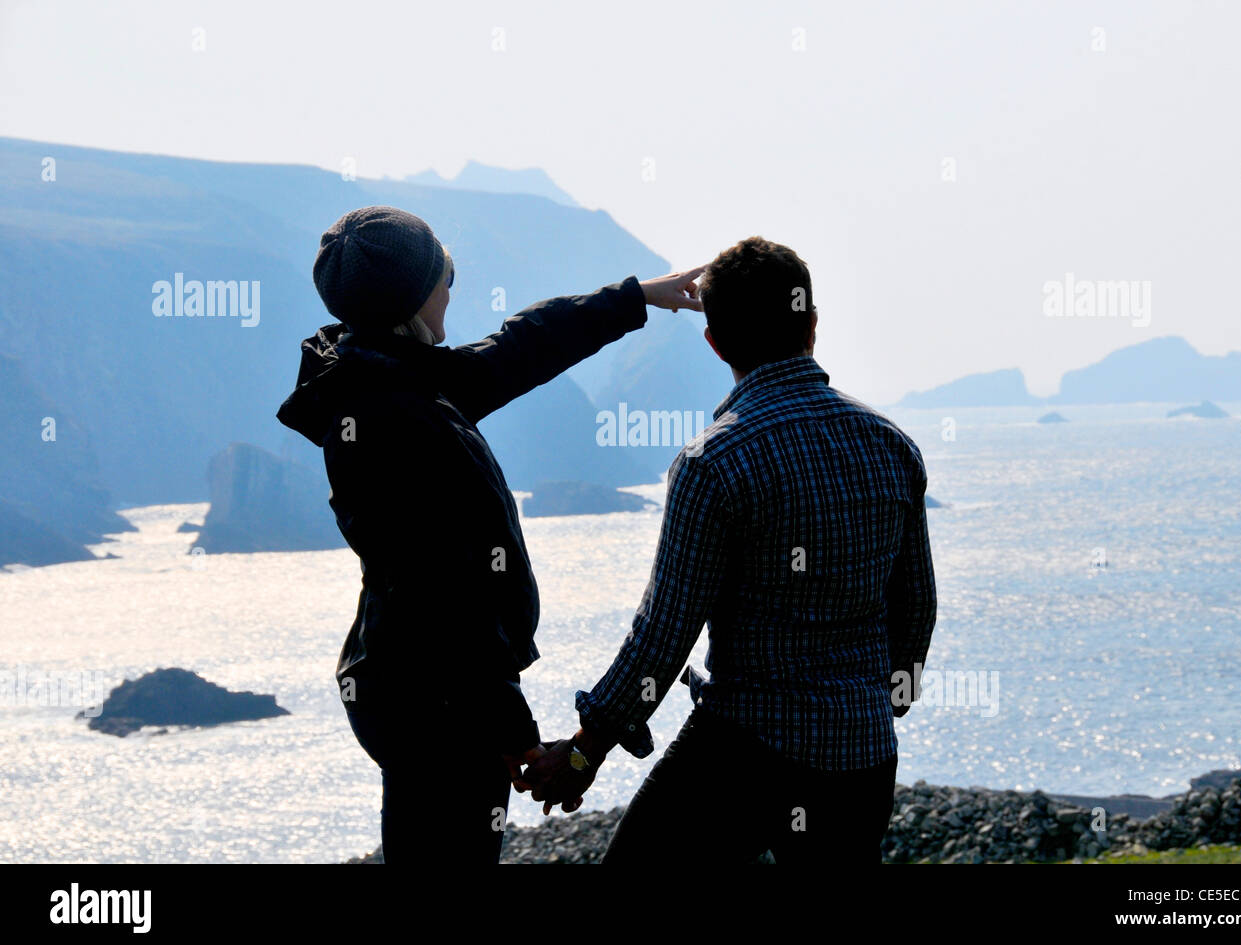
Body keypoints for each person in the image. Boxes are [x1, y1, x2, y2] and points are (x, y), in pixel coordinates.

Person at [276, 205, 703, 864]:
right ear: (412, 295)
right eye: (445, 272)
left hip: (415, 685)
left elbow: (518, 347)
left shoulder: (385, 375)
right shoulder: (399, 416)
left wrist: (635, 297)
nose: (453, 285)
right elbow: (444, 594)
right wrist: (513, 729)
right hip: (438, 703)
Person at [524, 236, 938, 865]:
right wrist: (880, 706)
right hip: (863, 760)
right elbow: (918, 609)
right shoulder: (892, 445)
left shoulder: (713, 463)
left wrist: (584, 751)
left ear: (715, 343)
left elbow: (662, 639)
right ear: (813, 326)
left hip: (744, 751)